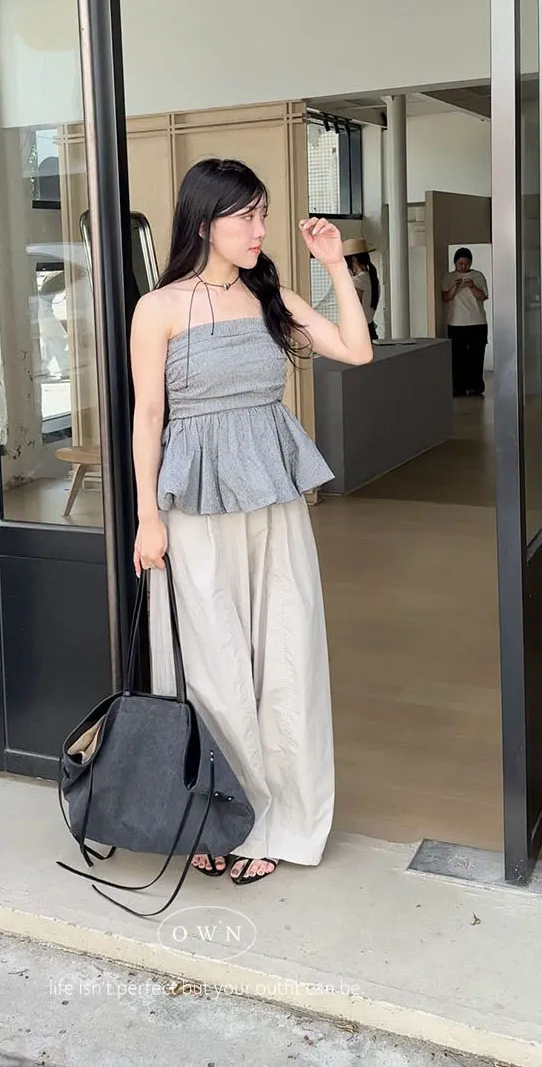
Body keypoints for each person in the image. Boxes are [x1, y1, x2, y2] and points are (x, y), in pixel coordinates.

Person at [130, 158, 372, 886]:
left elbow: (356, 349)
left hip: (272, 501)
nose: (260, 229)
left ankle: (281, 822)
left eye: (263, 214)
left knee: (285, 655)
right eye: (247, 216)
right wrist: (146, 516)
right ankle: (218, 817)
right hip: (193, 505)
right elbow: (147, 416)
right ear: (206, 222)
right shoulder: (159, 307)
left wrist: (335, 265)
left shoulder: (274, 297)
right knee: (213, 667)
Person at [441, 247, 489, 397]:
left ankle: (476, 386)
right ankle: (458, 387)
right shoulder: (448, 277)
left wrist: (472, 286)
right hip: (456, 323)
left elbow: (482, 296)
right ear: (455, 263)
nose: (464, 267)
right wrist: (455, 286)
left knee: (476, 356)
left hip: (477, 322)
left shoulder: (477, 276)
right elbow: (445, 298)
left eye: (467, 264)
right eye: (460, 264)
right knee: (457, 357)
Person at [344, 237, 380, 340]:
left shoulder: (357, 281)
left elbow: (354, 311)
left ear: (354, 260)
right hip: (371, 329)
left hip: (359, 332)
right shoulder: (374, 280)